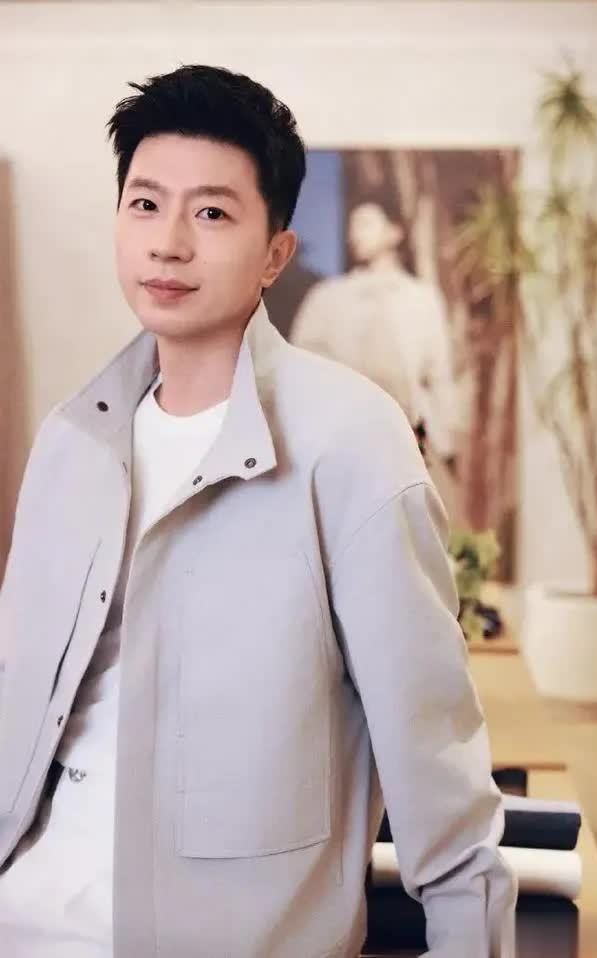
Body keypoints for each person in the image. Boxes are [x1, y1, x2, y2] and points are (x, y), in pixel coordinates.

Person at [0, 64, 517, 957]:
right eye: (145, 204)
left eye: (211, 213)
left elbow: (436, 761)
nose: (168, 244)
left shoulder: (351, 444)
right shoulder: (69, 441)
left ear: (276, 253)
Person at [289, 199, 458, 472]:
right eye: (352, 226)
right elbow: (302, 368)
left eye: (365, 224)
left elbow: (439, 375)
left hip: (409, 441)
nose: (355, 234)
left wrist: (448, 443)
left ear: (394, 232)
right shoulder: (328, 297)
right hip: (345, 442)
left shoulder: (420, 297)